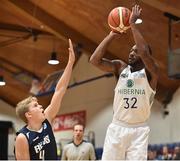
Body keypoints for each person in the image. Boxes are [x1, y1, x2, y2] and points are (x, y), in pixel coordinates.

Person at [89, 5, 159, 160]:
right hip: (117, 128)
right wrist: (112, 34)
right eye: (131, 50)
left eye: (136, 51)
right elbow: (94, 60)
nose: (131, 53)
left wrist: (133, 25)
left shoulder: (151, 73)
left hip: (139, 131)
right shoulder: (120, 68)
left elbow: (145, 52)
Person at [14, 39, 75, 160]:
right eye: (35, 106)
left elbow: (60, 90)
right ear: (28, 114)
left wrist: (70, 63)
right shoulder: (22, 137)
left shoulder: (47, 120)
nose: (41, 106)